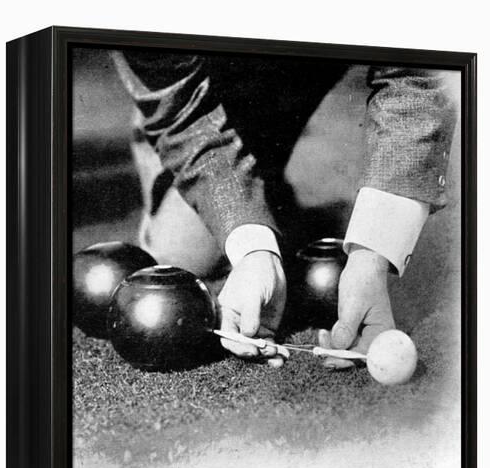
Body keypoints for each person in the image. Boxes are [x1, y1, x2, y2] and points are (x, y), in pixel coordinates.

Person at [109, 50, 457, 367]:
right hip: (207, 75)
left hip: (306, 57)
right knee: (186, 251)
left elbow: (421, 74)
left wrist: (372, 256)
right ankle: (262, 186)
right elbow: (184, 115)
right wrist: (253, 247)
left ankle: (266, 176)